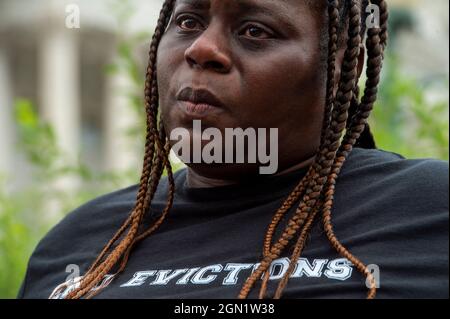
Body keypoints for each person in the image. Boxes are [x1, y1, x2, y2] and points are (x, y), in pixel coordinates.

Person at [18, 0, 448, 299]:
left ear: (342, 65)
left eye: (254, 30)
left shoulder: (429, 212)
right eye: (187, 21)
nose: (201, 48)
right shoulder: (77, 243)